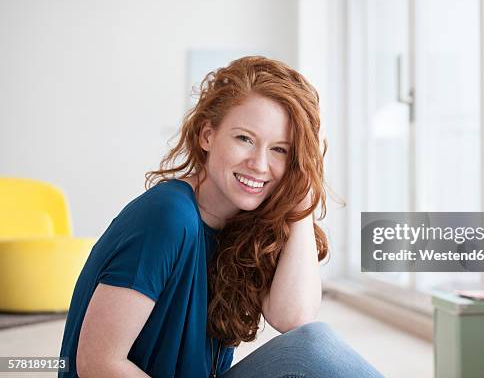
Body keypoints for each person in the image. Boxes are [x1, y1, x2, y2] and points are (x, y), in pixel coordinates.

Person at [58, 56, 383, 377]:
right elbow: (97, 363)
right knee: (312, 348)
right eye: (245, 139)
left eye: (280, 149)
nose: (259, 163)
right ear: (207, 136)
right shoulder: (168, 215)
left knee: (310, 347)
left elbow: (294, 319)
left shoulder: (247, 224)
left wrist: (301, 198)